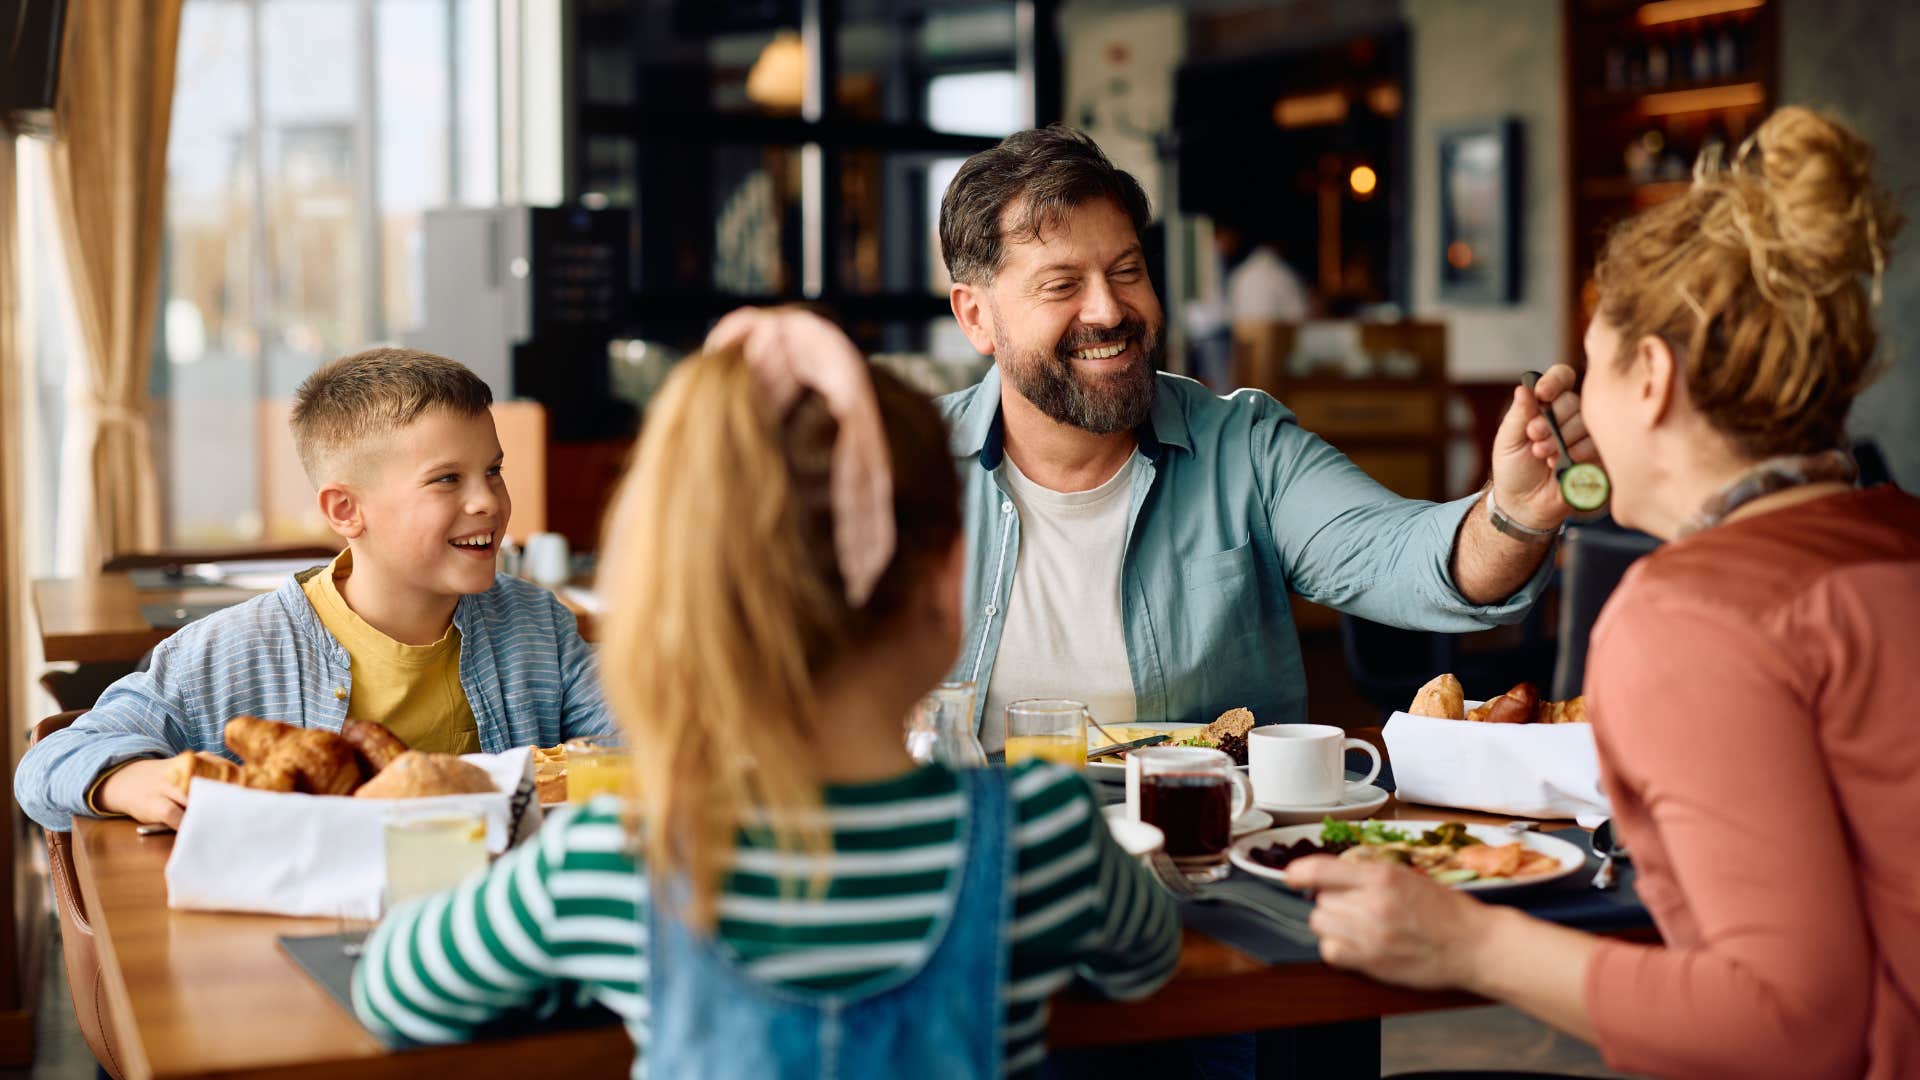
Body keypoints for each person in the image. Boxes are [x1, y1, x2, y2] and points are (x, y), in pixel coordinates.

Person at [350, 309, 1180, 1078]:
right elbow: (1147, 960)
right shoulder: (1047, 829)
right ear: (946, 580)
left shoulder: (610, 860)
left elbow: (393, 991)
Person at [1290, 106, 1920, 1078]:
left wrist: (1464, 943)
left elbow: (1796, 1025)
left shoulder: (1687, 613)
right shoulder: (1897, 533)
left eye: (1593, 362)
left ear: (1653, 378)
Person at [936, 125, 1591, 749]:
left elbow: (1407, 557)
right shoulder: (901, 463)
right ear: (976, 316)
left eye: (1127, 270)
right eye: (1062, 285)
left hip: (1205, 849)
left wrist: (1516, 515)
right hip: (976, 847)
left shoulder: (1245, 449)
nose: (1108, 310)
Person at [15, 348, 611, 832]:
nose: (487, 501)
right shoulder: (232, 653)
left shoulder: (539, 626)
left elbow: (636, 740)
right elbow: (47, 763)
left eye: (493, 471)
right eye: (447, 479)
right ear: (346, 509)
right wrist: (129, 780)